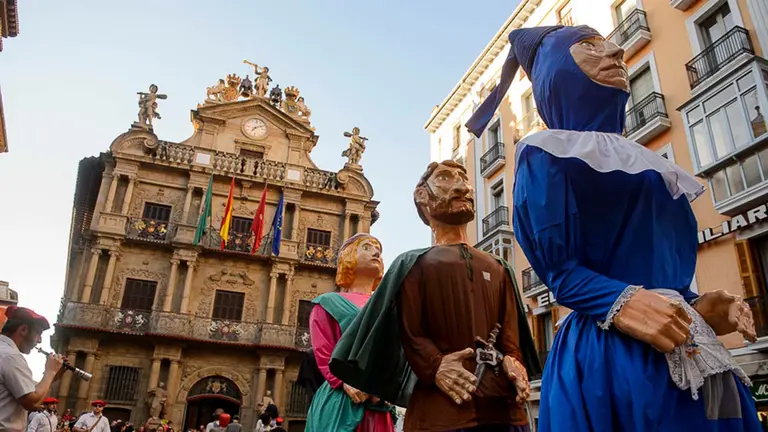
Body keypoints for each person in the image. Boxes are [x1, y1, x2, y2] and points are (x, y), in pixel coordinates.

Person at [465, 24, 761, 432]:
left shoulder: (656, 165)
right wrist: (623, 302)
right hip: (607, 354)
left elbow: (668, 277)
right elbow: (562, 273)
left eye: (609, 44)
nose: (617, 52)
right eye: (589, 47)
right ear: (556, 70)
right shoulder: (544, 152)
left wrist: (707, 305)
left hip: (692, 345)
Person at [330, 161, 541, 431]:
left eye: (464, 179)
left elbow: (511, 335)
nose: (462, 187)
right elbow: (412, 333)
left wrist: (514, 360)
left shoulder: (500, 268)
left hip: (505, 410)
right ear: (422, 197)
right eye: (444, 178)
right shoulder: (412, 264)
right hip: (440, 412)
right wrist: (436, 365)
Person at [305, 233, 395, 432]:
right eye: (366, 247)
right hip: (342, 399)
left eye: (378, 250)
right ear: (348, 257)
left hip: (379, 402)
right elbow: (323, 352)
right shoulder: (327, 303)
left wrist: (388, 386)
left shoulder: (389, 305)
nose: (376, 252)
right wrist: (343, 381)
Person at [0, 306, 64, 432]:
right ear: (23, 329)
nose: (39, 341)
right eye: (38, 334)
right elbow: (32, 403)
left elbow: (30, 393)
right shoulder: (11, 356)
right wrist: (50, 371)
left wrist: (53, 376)